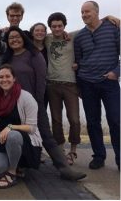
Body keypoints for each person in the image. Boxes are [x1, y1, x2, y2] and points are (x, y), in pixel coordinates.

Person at [3, 26, 86, 181]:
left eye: (17, 36)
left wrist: (37, 102)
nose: (14, 39)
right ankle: (20, 166)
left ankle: (64, 169)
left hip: (33, 103)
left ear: (23, 38)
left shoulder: (33, 55)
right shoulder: (7, 58)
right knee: (18, 136)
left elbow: (41, 80)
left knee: (46, 136)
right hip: (13, 106)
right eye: (10, 38)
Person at [74, 1, 120, 170]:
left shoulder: (113, 28)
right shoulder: (79, 37)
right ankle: (99, 156)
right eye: (82, 12)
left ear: (97, 12)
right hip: (87, 83)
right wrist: (79, 84)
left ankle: (119, 157)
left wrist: (117, 72)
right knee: (93, 122)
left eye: (87, 11)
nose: (84, 15)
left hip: (110, 83)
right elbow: (78, 61)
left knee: (115, 120)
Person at [0, 64, 42, 189]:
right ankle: (16, 165)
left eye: (8, 76)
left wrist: (11, 127)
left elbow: (32, 128)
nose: (4, 79)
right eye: (1, 77)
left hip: (26, 144)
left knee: (13, 135)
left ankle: (12, 172)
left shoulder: (25, 97)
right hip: (3, 143)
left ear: (14, 78)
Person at [45, 12, 81, 165]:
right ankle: (61, 150)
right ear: (50, 27)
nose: (57, 29)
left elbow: (91, 26)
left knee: (74, 119)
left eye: (60, 26)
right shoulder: (47, 39)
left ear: (65, 26)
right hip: (52, 84)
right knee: (56, 119)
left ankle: (73, 150)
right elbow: (31, 34)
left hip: (70, 84)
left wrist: (108, 18)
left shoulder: (73, 36)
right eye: (54, 26)